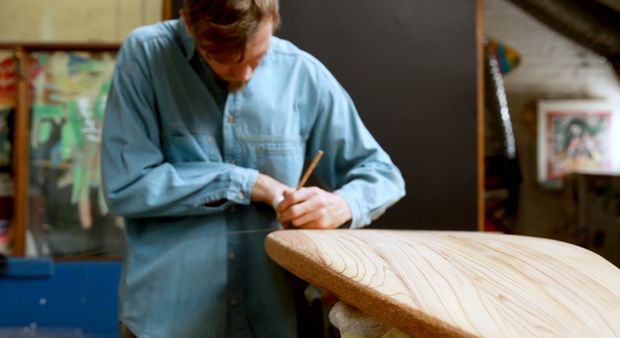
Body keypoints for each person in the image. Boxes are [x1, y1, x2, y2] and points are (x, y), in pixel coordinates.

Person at [101, 0, 405, 336]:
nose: (245, 74)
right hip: (166, 319)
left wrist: (342, 205)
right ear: (188, 23)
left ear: (273, 20)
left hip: (276, 319)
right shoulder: (145, 55)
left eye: (257, 58)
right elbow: (126, 186)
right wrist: (249, 183)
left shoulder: (300, 72)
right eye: (225, 61)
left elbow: (382, 174)